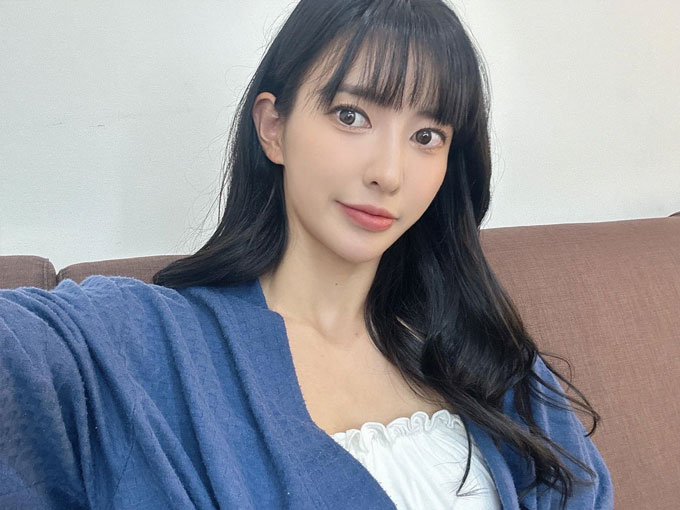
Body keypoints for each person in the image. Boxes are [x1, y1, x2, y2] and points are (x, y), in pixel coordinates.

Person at [0, 0, 613, 509]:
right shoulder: (141, 339)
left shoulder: (480, 349)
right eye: (352, 115)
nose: (389, 172)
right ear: (274, 127)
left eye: (426, 136)